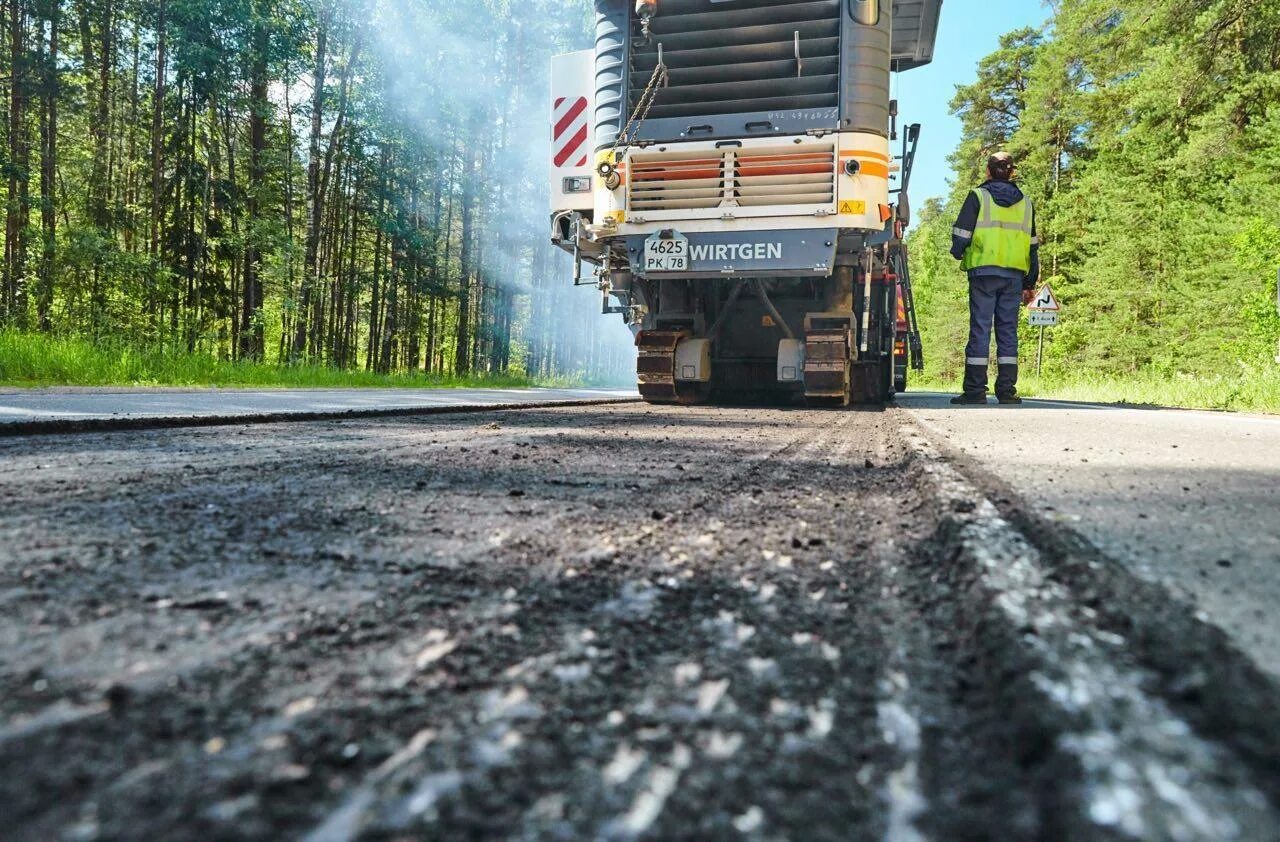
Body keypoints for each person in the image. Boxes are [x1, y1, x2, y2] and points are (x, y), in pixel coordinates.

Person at [949, 152, 1039, 405]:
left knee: (980, 328)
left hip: (983, 272)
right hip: (1014, 276)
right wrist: (1030, 283)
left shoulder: (978, 196)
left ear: (988, 171)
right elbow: (1033, 247)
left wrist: (958, 252)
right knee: (1008, 331)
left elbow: (961, 234)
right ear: (1012, 173)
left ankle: (976, 391)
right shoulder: (1026, 203)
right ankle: (1007, 391)